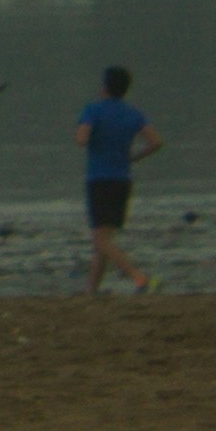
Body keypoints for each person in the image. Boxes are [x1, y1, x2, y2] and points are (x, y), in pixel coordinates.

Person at [78, 64, 163, 293]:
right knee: (104, 239)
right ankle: (90, 292)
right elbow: (155, 142)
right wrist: (133, 157)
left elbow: (82, 139)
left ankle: (140, 278)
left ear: (105, 86)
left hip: (99, 180)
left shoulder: (93, 111)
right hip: (122, 179)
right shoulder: (133, 113)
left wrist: (89, 134)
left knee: (101, 240)